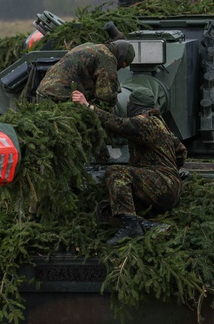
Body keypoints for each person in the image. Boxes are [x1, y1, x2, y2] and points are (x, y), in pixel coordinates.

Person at [72, 86, 188, 245]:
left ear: (135, 106)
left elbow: (117, 123)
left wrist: (87, 106)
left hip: (161, 185)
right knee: (105, 209)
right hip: (160, 185)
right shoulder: (160, 124)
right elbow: (181, 151)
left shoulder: (145, 122)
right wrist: (174, 172)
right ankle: (145, 225)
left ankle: (132, 227)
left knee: (116, 172)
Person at [36, 40, 136, 108]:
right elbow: (106, 97)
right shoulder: (107, 58)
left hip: (43, 91)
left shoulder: (89, 46)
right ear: (121, 57)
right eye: (122, 65)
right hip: (61, 96)